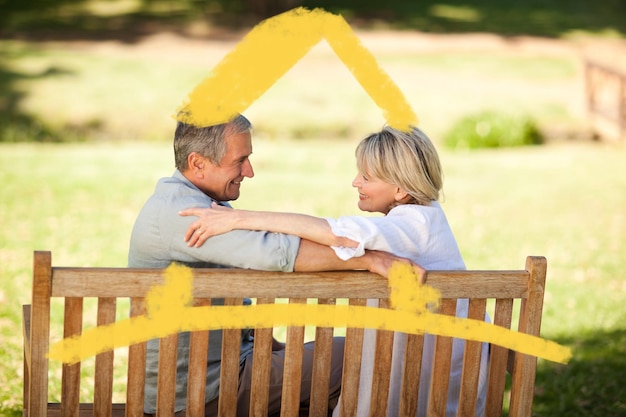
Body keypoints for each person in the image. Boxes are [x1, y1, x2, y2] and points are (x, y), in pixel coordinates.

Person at [180, 125, 490, 417]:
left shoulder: (409, 227)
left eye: (366, 176)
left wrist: (237, 219)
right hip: (444, 381)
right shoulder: (427, 218)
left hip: (419, 391)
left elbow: (332, 232)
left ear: (400, 189)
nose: (356, 182)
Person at [127, 114, 419, 417]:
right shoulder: (185, 213)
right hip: (199, 394)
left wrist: (270, 345)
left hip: (211, 377)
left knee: (336, 353)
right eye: (240, 161)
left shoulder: (196, 203)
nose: (249, 172)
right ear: (198, 163)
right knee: (358, 351)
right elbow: (277, 253)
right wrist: (370, 259)